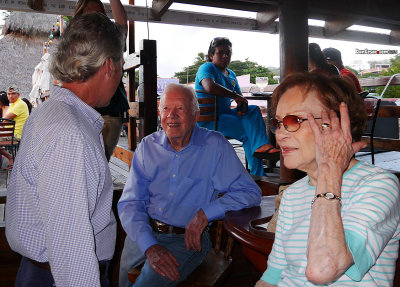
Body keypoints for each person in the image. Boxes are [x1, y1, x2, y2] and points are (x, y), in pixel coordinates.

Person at [6, 13, 125, 286]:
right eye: (120, 64)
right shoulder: (70, 133)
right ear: (109, 66)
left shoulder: (53, 112)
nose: (120, 74)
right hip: (59, 276)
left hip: (45, 271)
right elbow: (70, 247)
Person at [256, 73, 400, 286]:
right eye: (278, 122)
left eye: (293, 120)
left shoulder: (377, 186)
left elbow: (323, 269)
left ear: (338, 125)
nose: (280, 134)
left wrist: (330, 169)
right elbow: (271, 278)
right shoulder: (292, 195)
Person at [118, 83, 262, 287]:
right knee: (123, 281)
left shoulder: (215, 146)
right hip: (143, 232)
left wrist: (206, 213)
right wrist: (149, 245)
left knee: (146, 284)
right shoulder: (148, 147)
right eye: (166, 108)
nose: (172, 116)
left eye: (180, 108)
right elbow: (130, 203)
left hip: (185, 240)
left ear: (196, 115)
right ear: (160, 113)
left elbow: (250, 192)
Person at [195, 37, 279, 176]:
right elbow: (209, 87)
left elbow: (239, 96)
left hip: (226, 115)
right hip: (210, 119)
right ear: (211, 55)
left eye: (228, 53)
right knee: (248, 133)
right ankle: (258, 174)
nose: (225, 56)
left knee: (252, 110)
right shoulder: (207, 67)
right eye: (220, 52)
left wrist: (241, 105)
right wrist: (235, 96)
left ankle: (261, 149)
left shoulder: (231, 74)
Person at [74, 0, 130, 161]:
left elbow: (121, 22)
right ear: (80, 16)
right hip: (82, 113)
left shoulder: (112, 37)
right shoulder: (75, 41)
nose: (94, 17)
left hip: (109, 114)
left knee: (98, 162)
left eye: (99, 13)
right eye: (89, 13)